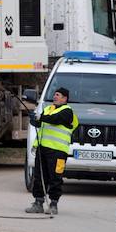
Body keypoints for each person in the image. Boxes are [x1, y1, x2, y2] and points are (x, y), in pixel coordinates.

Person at [25, 87, 79, 215]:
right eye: (54, 94)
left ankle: (53, 204)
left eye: (58, 95)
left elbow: (55, 120)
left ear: (65, 98)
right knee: (39, 176)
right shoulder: (48, 109)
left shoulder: (67, 112)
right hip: (43, 149)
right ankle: (38, 203)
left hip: (58, 151)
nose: (55, 97)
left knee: (55, 178)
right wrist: (34, 119)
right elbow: (41, 124)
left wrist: (40, 117)